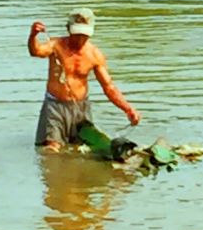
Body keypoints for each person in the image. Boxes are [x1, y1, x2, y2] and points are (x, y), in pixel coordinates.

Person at [29, 9, 140, 150]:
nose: (80, 39)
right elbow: (36, 51)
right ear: (68, 29)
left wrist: (128, 109)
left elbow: (109, 87)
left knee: (81, 147)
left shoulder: (94, 54)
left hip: (81, 107)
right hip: (55, 105)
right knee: (52, 148)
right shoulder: (55, 45)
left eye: (84, 35)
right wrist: (33, 36)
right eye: (77, 34)